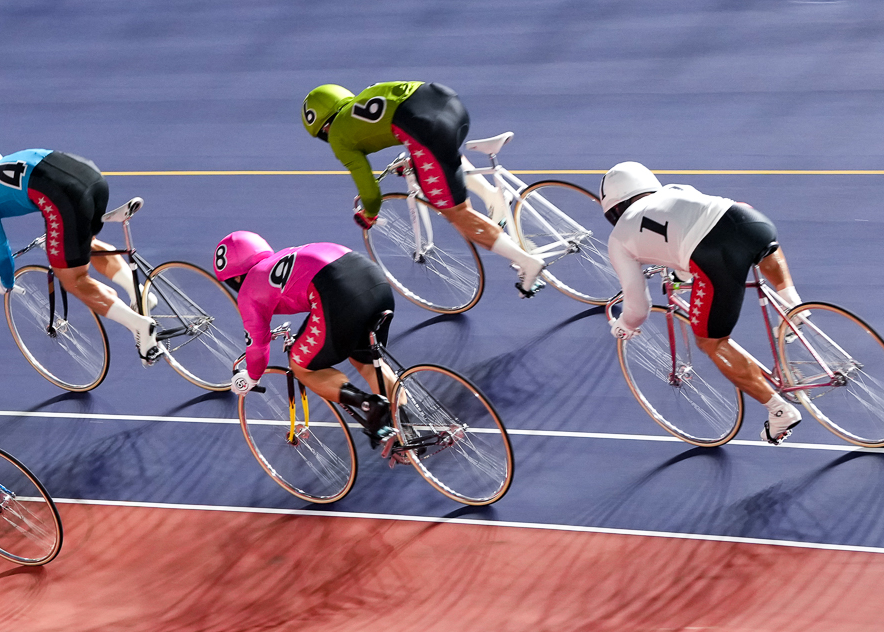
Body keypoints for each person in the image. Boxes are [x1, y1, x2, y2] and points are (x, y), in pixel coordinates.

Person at [597, 163, 804, 444]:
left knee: (711, 341)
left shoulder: (618, 238)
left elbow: (638, 305)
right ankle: (792, 305)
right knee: (761, 246)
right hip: (748, 219)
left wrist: (625, 324)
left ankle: (779, 410)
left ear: (614, 208)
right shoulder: (675, 189)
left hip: (714, 251)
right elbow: (686, 231)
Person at [300, 83, 550, 296]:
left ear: (323, 127)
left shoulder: (338, 136)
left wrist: (369, 213)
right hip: (449, 103)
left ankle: (527, 262)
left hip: (425, 132)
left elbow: (368, 190)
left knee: (456, 213)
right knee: (440, 155)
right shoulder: (367, 95)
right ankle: (493, 197)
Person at [0, 145, 161, 359]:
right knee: (85, 243)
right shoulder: (15, 159)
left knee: (73, 279)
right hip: (93, 178)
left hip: (63, 198)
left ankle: (140, 326)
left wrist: (6, 280)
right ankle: (139, 293)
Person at [211, 232, 397, 445]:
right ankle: (404, 430)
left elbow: (258, 343)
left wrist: (252, 377)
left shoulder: (249, 289)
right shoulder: (282, 256)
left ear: (235, 278)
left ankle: (368, 405)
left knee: (302, 366)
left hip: (337, 294)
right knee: (368, 362)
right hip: (373, 279)